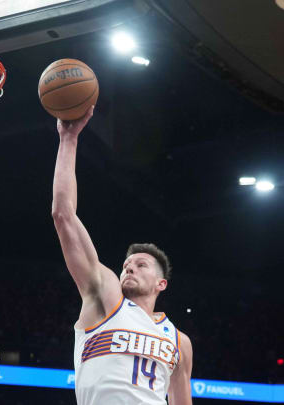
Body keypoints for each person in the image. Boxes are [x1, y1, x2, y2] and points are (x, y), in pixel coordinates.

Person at [52, 106, 193, 405]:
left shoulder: (179, 341)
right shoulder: (105, 298)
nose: (129, 269)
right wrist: (69, 140)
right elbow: (63, 215)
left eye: (141, 265)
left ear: (161, 283)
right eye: (126, 265)